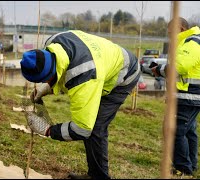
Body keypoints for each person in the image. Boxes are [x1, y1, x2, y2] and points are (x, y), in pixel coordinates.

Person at [20, 30, 140, 179]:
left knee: (95, 127)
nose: (44, 83)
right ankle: (95, 174)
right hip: (103, 62)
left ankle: (98, 177)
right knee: (93, 125)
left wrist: (48, 130)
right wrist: (49, 87)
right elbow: (64, 66)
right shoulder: (53, 42)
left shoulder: (83, 77)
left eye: (45, 80)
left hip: (124, 74)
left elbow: (82, 129)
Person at [151, 17, 200, 176]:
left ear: (180, 28)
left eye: (171, 33)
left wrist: (160, 70)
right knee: (189, 131)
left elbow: (179, 67)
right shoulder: (190, 42)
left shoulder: (191, 43)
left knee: (175, 130)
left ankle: (183, 168)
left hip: (188, 96)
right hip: (189, 96)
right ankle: (191, 165)